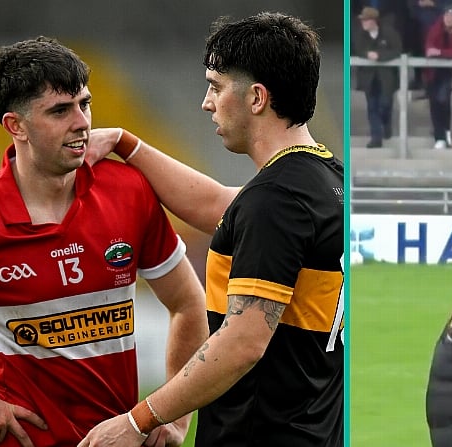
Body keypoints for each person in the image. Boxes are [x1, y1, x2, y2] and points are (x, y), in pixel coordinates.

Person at [79, 12, 345, 447]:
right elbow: (218, 205)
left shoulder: (275, 201)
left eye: (216, 87)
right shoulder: (322, 177)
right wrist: (130, 146)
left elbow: (242, 342)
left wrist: (137, 420)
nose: (207, 102)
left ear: (257, 98)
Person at [0, 36, 208, 446]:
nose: (82, 122)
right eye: (60, 110)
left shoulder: (129, 191)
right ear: (15, 125)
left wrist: (173, 416)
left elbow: (188, 304)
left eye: (84, 104)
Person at [352, 6, 403, 148]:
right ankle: (376, 138)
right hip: (369, 78)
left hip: (386, 77)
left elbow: (397, 50)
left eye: (366, 20)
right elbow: (358, 49)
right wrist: (367, 54)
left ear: (373, 21)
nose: (363, 23)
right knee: (372, 107)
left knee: (385, 105)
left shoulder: (389, 33)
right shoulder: (360, 34)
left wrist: (379, 56)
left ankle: (386, 126)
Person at [423, 4, 452, 149]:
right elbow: (429, 48)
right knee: (435, 103)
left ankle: (447, 132)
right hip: (434, 72)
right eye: (446, 15)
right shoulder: (436, 28)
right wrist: (440, 52)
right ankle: (440, 136)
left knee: (445, 101)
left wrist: (440, 53)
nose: (448, 19)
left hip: (451, 73)